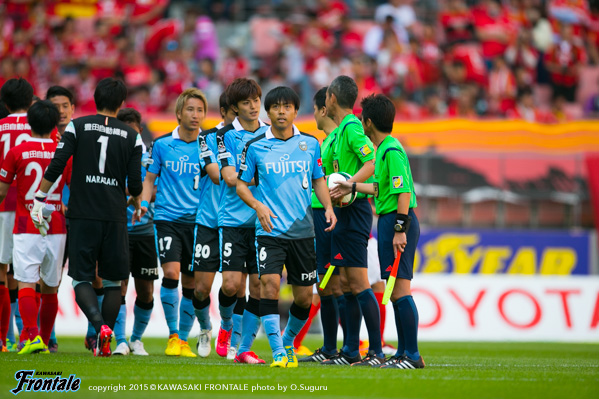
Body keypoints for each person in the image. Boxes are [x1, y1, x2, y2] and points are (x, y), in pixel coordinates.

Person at [30, 78, 143, 357]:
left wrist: (40, 197)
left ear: (95, 99)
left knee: (81, 278)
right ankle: (105, 330)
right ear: (121, 103)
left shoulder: (77, 126)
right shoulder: (132, 135)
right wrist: (136, 199)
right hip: (114, 215)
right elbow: (136, 184)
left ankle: (99, 327)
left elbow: (58, 163)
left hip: (82, 214)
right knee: (113, 281)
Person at [237, 86, 336, 368]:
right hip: (269, 231)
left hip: (303, 231)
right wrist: (258, 205)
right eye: (276, 107)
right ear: (268, 112)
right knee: (269, 286)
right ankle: (278, 351)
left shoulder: (310, 144)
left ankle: (289, 341)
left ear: (295, 111)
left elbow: (318, 180)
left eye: (287, 107)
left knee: (304, 297)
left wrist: (328, 206)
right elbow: (242, 184)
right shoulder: (255, 145)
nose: (282, 112)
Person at [331, 93, 424, 369]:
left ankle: (413, 355)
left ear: (368, 122)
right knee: (394, 290)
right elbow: (381, 188)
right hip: (386, 220)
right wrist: (352, 186)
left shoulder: (391, 150)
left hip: (397, 221)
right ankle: (403, 354)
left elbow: (403, 192)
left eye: (362, 119)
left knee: (401, 290)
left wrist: (399, 229)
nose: (361, 123)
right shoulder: (383, 149)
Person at [138, 88, 207, 358]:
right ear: (179, 113)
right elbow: (149, 179)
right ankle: (173, 335)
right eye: (190, 109)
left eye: (200, 110)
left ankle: (184, 340)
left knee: (191, 284)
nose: (196, 115)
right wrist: (144, 204)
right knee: (171, 274)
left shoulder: (208, 145)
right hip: (167, 218)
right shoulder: (163, 144)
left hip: (199, 223)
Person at [0, 100, 70, 354]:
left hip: (26, 222)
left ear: (29, 122)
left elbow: (1, 191)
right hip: (56, 225)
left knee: (26, 282)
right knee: (51, 285)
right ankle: (45, 338)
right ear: (54, 123)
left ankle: (31, 336)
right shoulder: (64, 151)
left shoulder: (17, 151)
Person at [325, 75, 384, 366]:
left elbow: (372, 161)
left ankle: (375, 350)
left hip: (356, 208)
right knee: (346, 283)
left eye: (326, 96)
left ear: (332, 98)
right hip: (342, 211)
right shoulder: (338, 133)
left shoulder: (351, 128)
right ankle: (349, 351)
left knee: (359, 281)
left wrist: (349, 184)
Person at [216, 78, 268, 364]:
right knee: (231, 286)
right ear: (234, 107)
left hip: (263, 223)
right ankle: (225, 326)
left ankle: (245, 347)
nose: (253, 107)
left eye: (256, 101)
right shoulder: (226, 136)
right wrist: (260, 177)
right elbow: (229, 177)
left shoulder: (271, 134)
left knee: (259, 286)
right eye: (246, 102)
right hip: (234, 220)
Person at [299, 86, 347, 363]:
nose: (313, 115)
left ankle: (350, 348)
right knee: (325, 285)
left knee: (338, 284)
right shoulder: (325, 142)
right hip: (320, 215)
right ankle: (331, 349)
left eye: (315, 110)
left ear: (323, 109)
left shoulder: (339, 138)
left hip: (330, 217)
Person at [192, 91, 238, 359]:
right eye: (233, 111)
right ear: (223, 112)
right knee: (201, 288)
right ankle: (205, 327)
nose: (238, 116)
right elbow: (216, 175)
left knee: (232, 286)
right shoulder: (207, 137)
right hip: (209, 221)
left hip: (236, 223)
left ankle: (227, 327)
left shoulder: (254, 137)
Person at [112, 108, 157, 356]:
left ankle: (136, 339)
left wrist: (141, 195)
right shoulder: (111, 156)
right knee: (119, 285)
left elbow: (155, 187)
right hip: (119, 230)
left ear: (139, 130)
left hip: (145, 231)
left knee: (146, 290)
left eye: (133, 128)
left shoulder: (149, 158)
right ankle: (120, 339)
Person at [0, 78, 33, 352]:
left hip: (2, 206)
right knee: (27, 274)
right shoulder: (41, 127)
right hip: (32, 209)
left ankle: (2, 338)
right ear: (31, 101)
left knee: (1, 271)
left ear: (5, 103)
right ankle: (31, 335)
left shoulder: (0, 128)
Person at [44, 85, 76, 352]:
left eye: (65, 105)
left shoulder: (83, 138)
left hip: (78, 217)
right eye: (55, 107)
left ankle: (93, 333)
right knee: (47, 278)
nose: (61, 111)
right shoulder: (43, 139)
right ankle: (48, 335)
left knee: (91, 274)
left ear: (73, 109)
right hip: (50, 218)